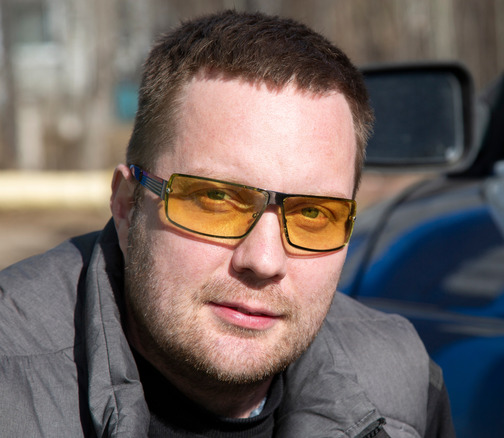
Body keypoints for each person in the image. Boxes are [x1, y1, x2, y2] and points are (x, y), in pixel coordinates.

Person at [0, 10, 454, 437]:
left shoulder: (402, 381)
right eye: (217, 199)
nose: (263, 260)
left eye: (313, 213)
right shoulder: (11, 379)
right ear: (126, 204)